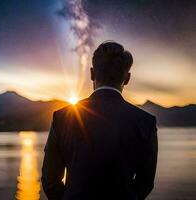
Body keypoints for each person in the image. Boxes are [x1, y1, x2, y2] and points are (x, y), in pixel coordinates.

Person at [42, 41, 158, 200]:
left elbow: (50, 181)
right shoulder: (145, 122)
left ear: (92, 74)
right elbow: (145, 183)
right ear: (127, 78)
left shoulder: (62, 118)